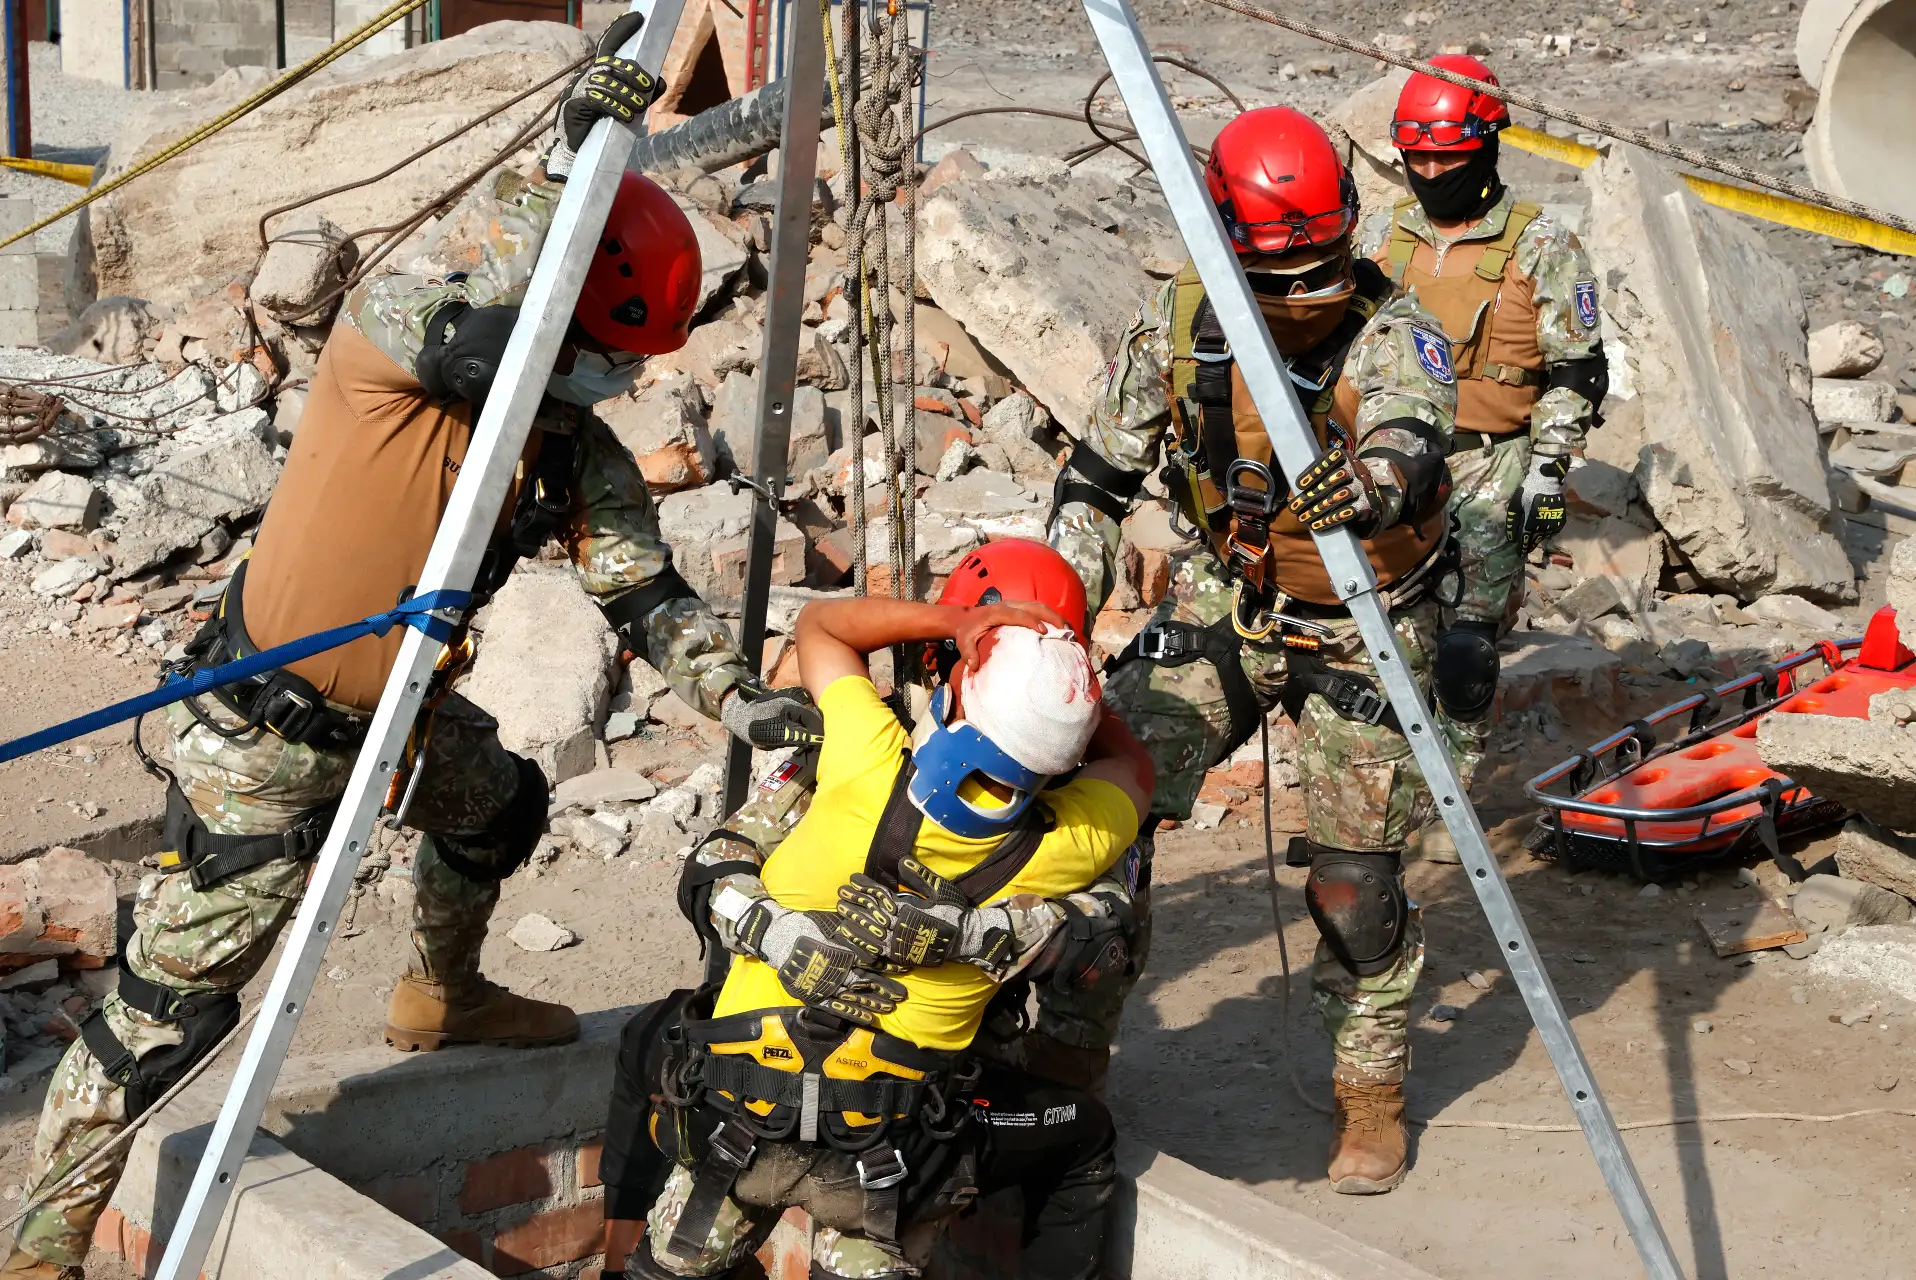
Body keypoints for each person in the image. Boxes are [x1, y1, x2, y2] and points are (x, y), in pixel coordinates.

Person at [1, 20, 815, 1278]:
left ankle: (443, 990)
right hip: (266, 742)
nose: (610, 378)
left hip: (406, 729)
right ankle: (43, 1249)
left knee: (498, 806)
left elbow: (645, 594)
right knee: (162, 1020)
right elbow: (473, 335)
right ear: (561, 310)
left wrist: (740, 699)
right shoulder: (392, 337)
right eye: (603, 351)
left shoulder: (564, 446)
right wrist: (571, 166)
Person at [1044, 105, 1462, 1194]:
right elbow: (1098, 476)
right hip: (1236, 598)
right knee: (1098, 814)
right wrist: (1049, 611)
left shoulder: (1393, 330)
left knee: (1354, 884)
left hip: (1366, 617)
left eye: (1320, 270)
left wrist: (1372, 481)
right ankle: (1069, 1050)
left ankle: (1370, 1093)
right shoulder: (1180, 323)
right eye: (1278, 278)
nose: (1304, 296)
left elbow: (1414, 434)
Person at [611, 569, 1155, 1279]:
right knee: (1083, 1134)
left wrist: (956, 622)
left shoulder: (860, 759)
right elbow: (1133, 768)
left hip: (737, 1126)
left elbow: (822, 625)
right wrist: (1069, 692)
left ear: (956, 696)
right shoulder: (1072, 843)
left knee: (657, 1068)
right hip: (889, 1163)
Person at [1356, 55, 1608, 862]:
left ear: (1488, 148)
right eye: (1418, 159)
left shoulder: (1543, 243)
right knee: (1380, 636)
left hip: (1491, 467)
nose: (1432, 174)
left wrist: (1549, 468)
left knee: (1466, 646)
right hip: (1392, 462)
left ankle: (1450, 799)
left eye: (1449, 159)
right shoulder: (1382, 236)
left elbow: (1576, 368)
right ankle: (1370, 798)